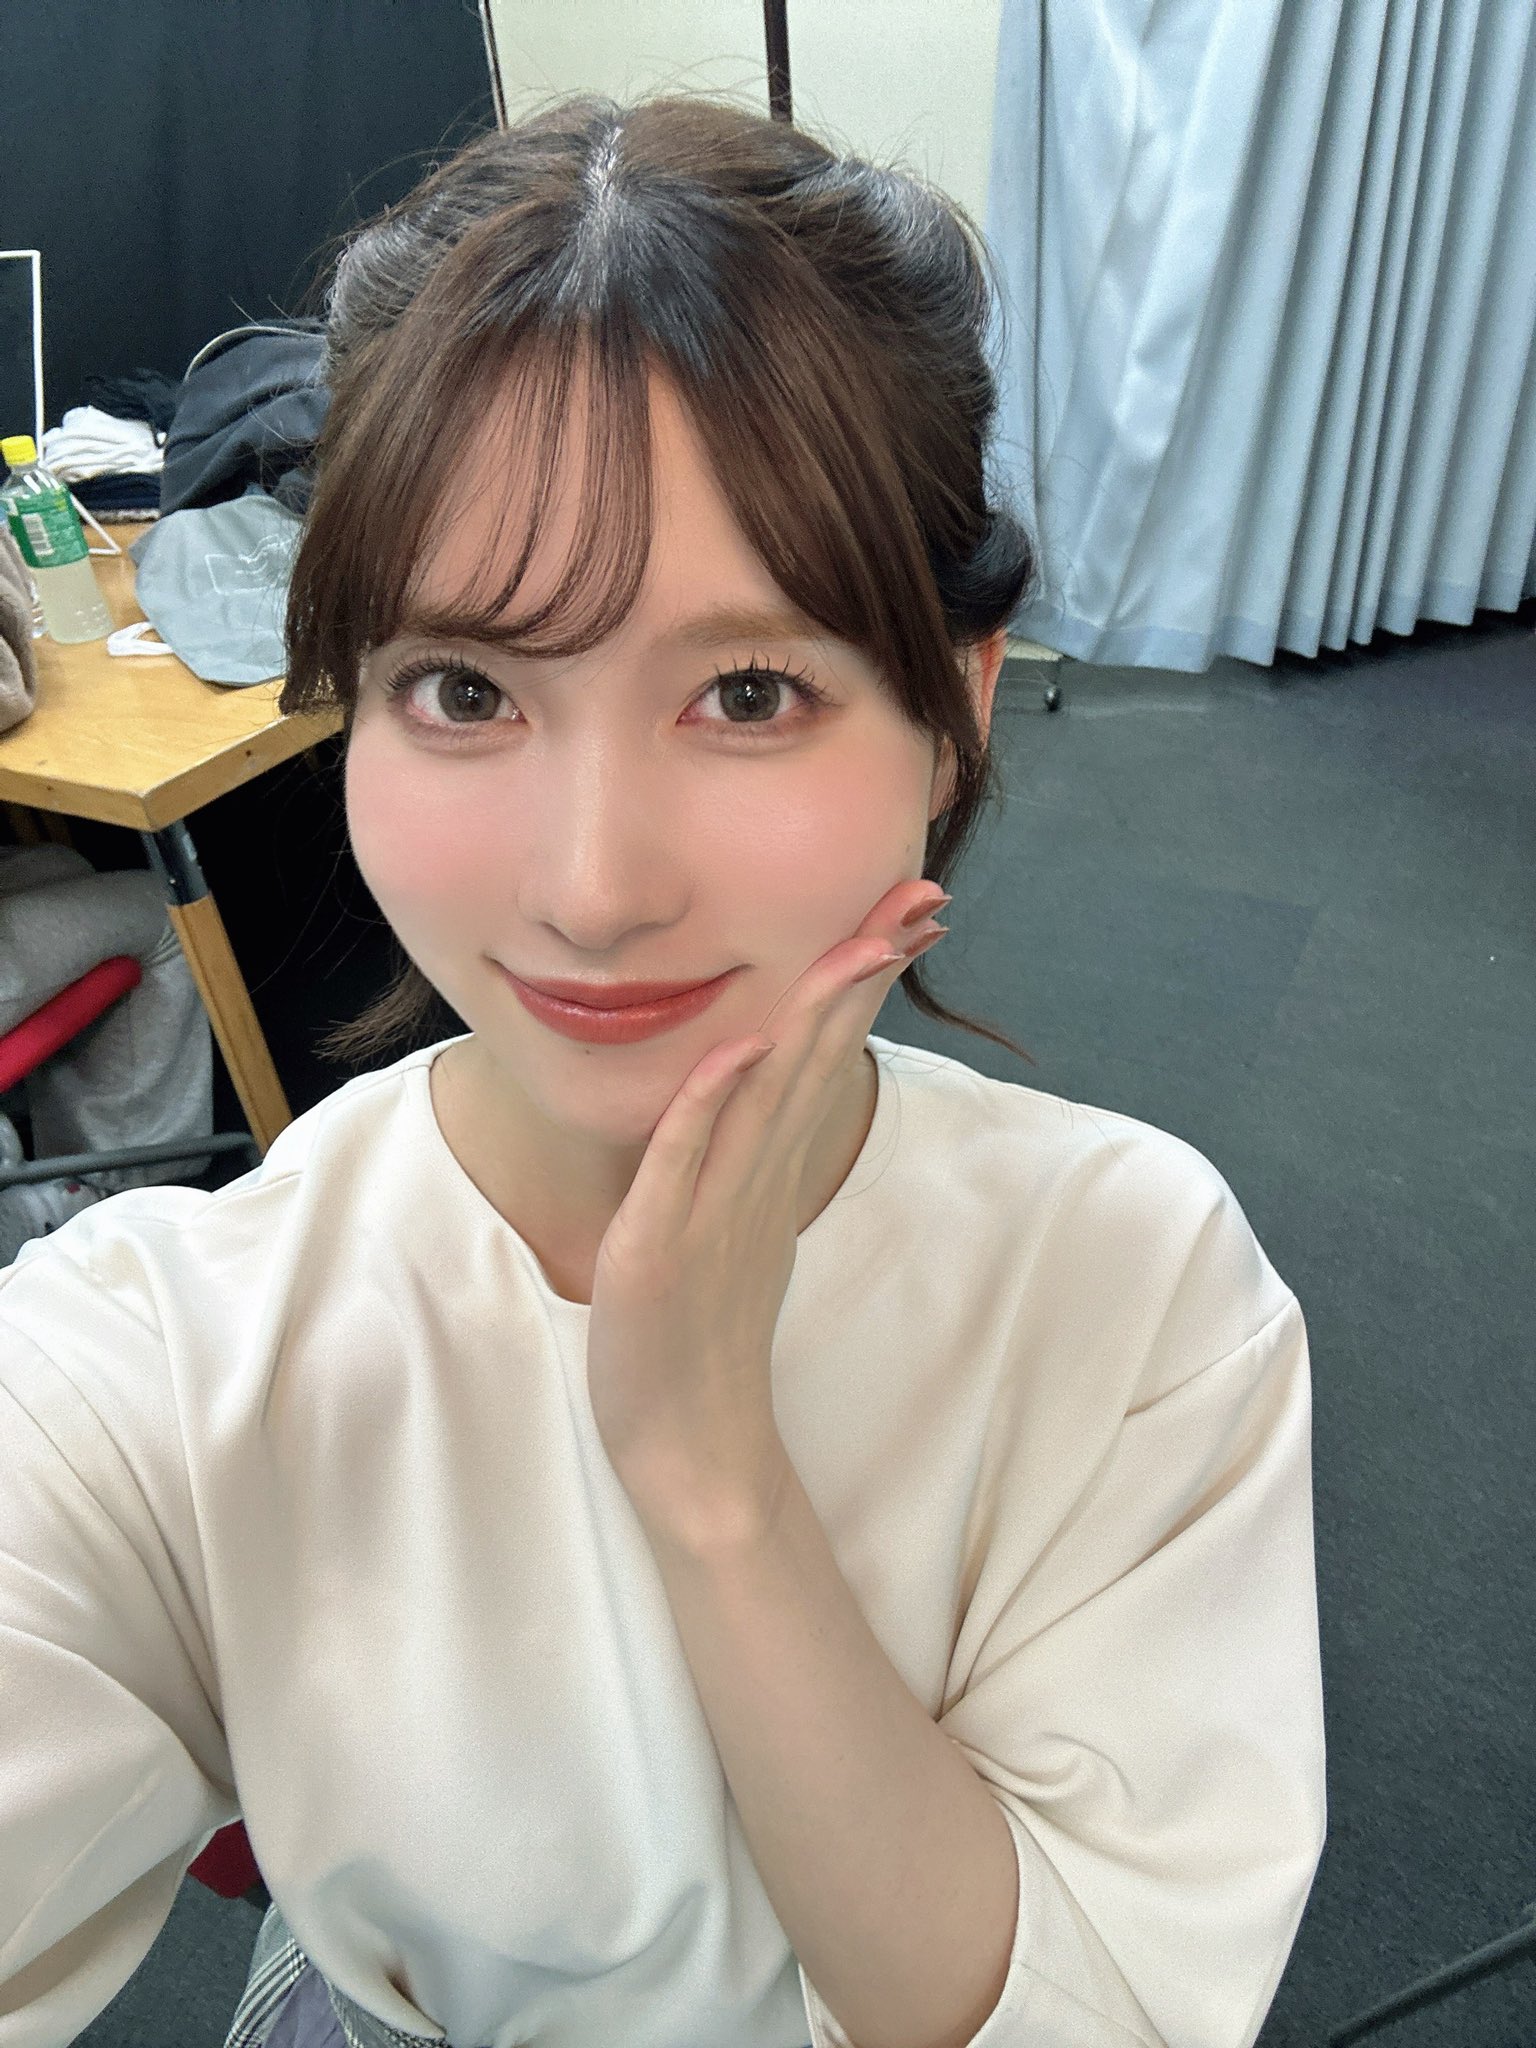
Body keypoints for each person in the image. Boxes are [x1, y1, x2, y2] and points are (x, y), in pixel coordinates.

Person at [0, 92, 1325, 2048]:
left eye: (748, 692)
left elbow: (1101, 2004)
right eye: (465, 690)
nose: (594, 888)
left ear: (954, 711)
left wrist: (711, 1472)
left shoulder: (1138, 1293)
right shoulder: (169, 1340)